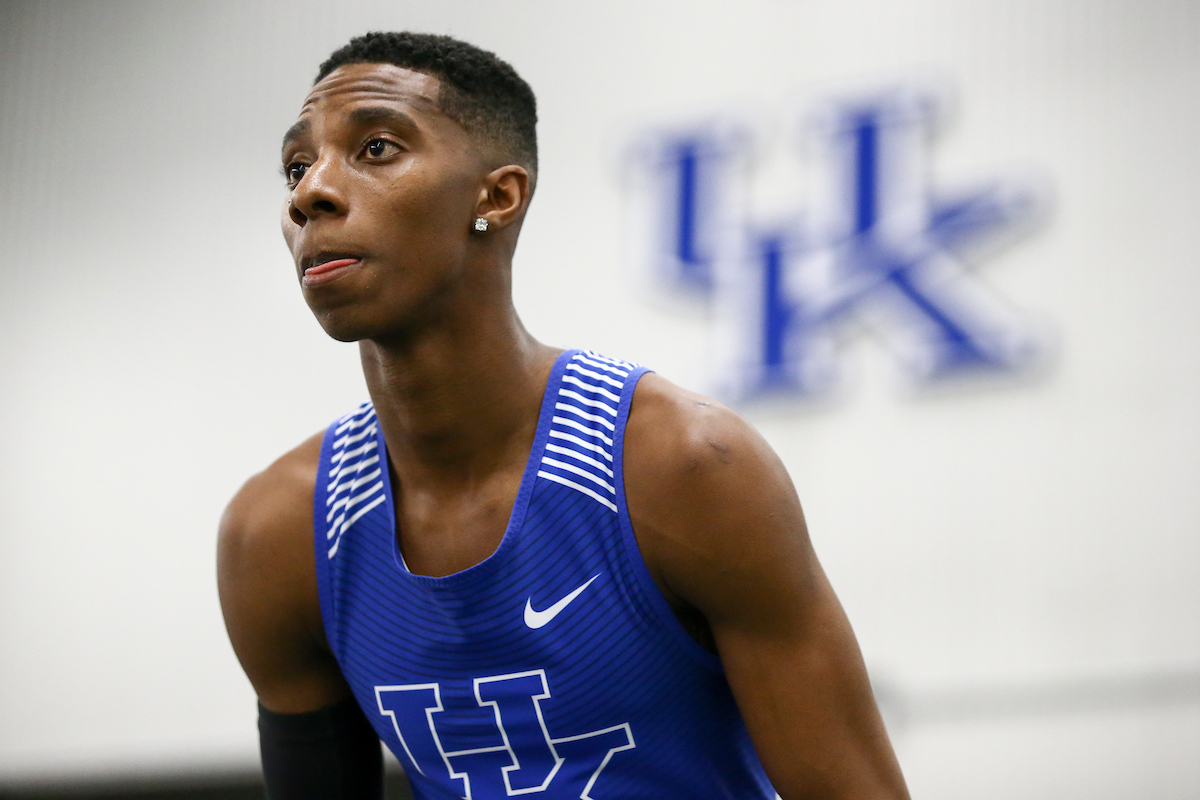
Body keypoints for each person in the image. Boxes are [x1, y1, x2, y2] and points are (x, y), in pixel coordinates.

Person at [217, 31, 910, 800]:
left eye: (376, 148)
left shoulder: (684, 467)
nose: (310, 192)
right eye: (297, 165)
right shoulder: (276, 536)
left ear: (497, 196)